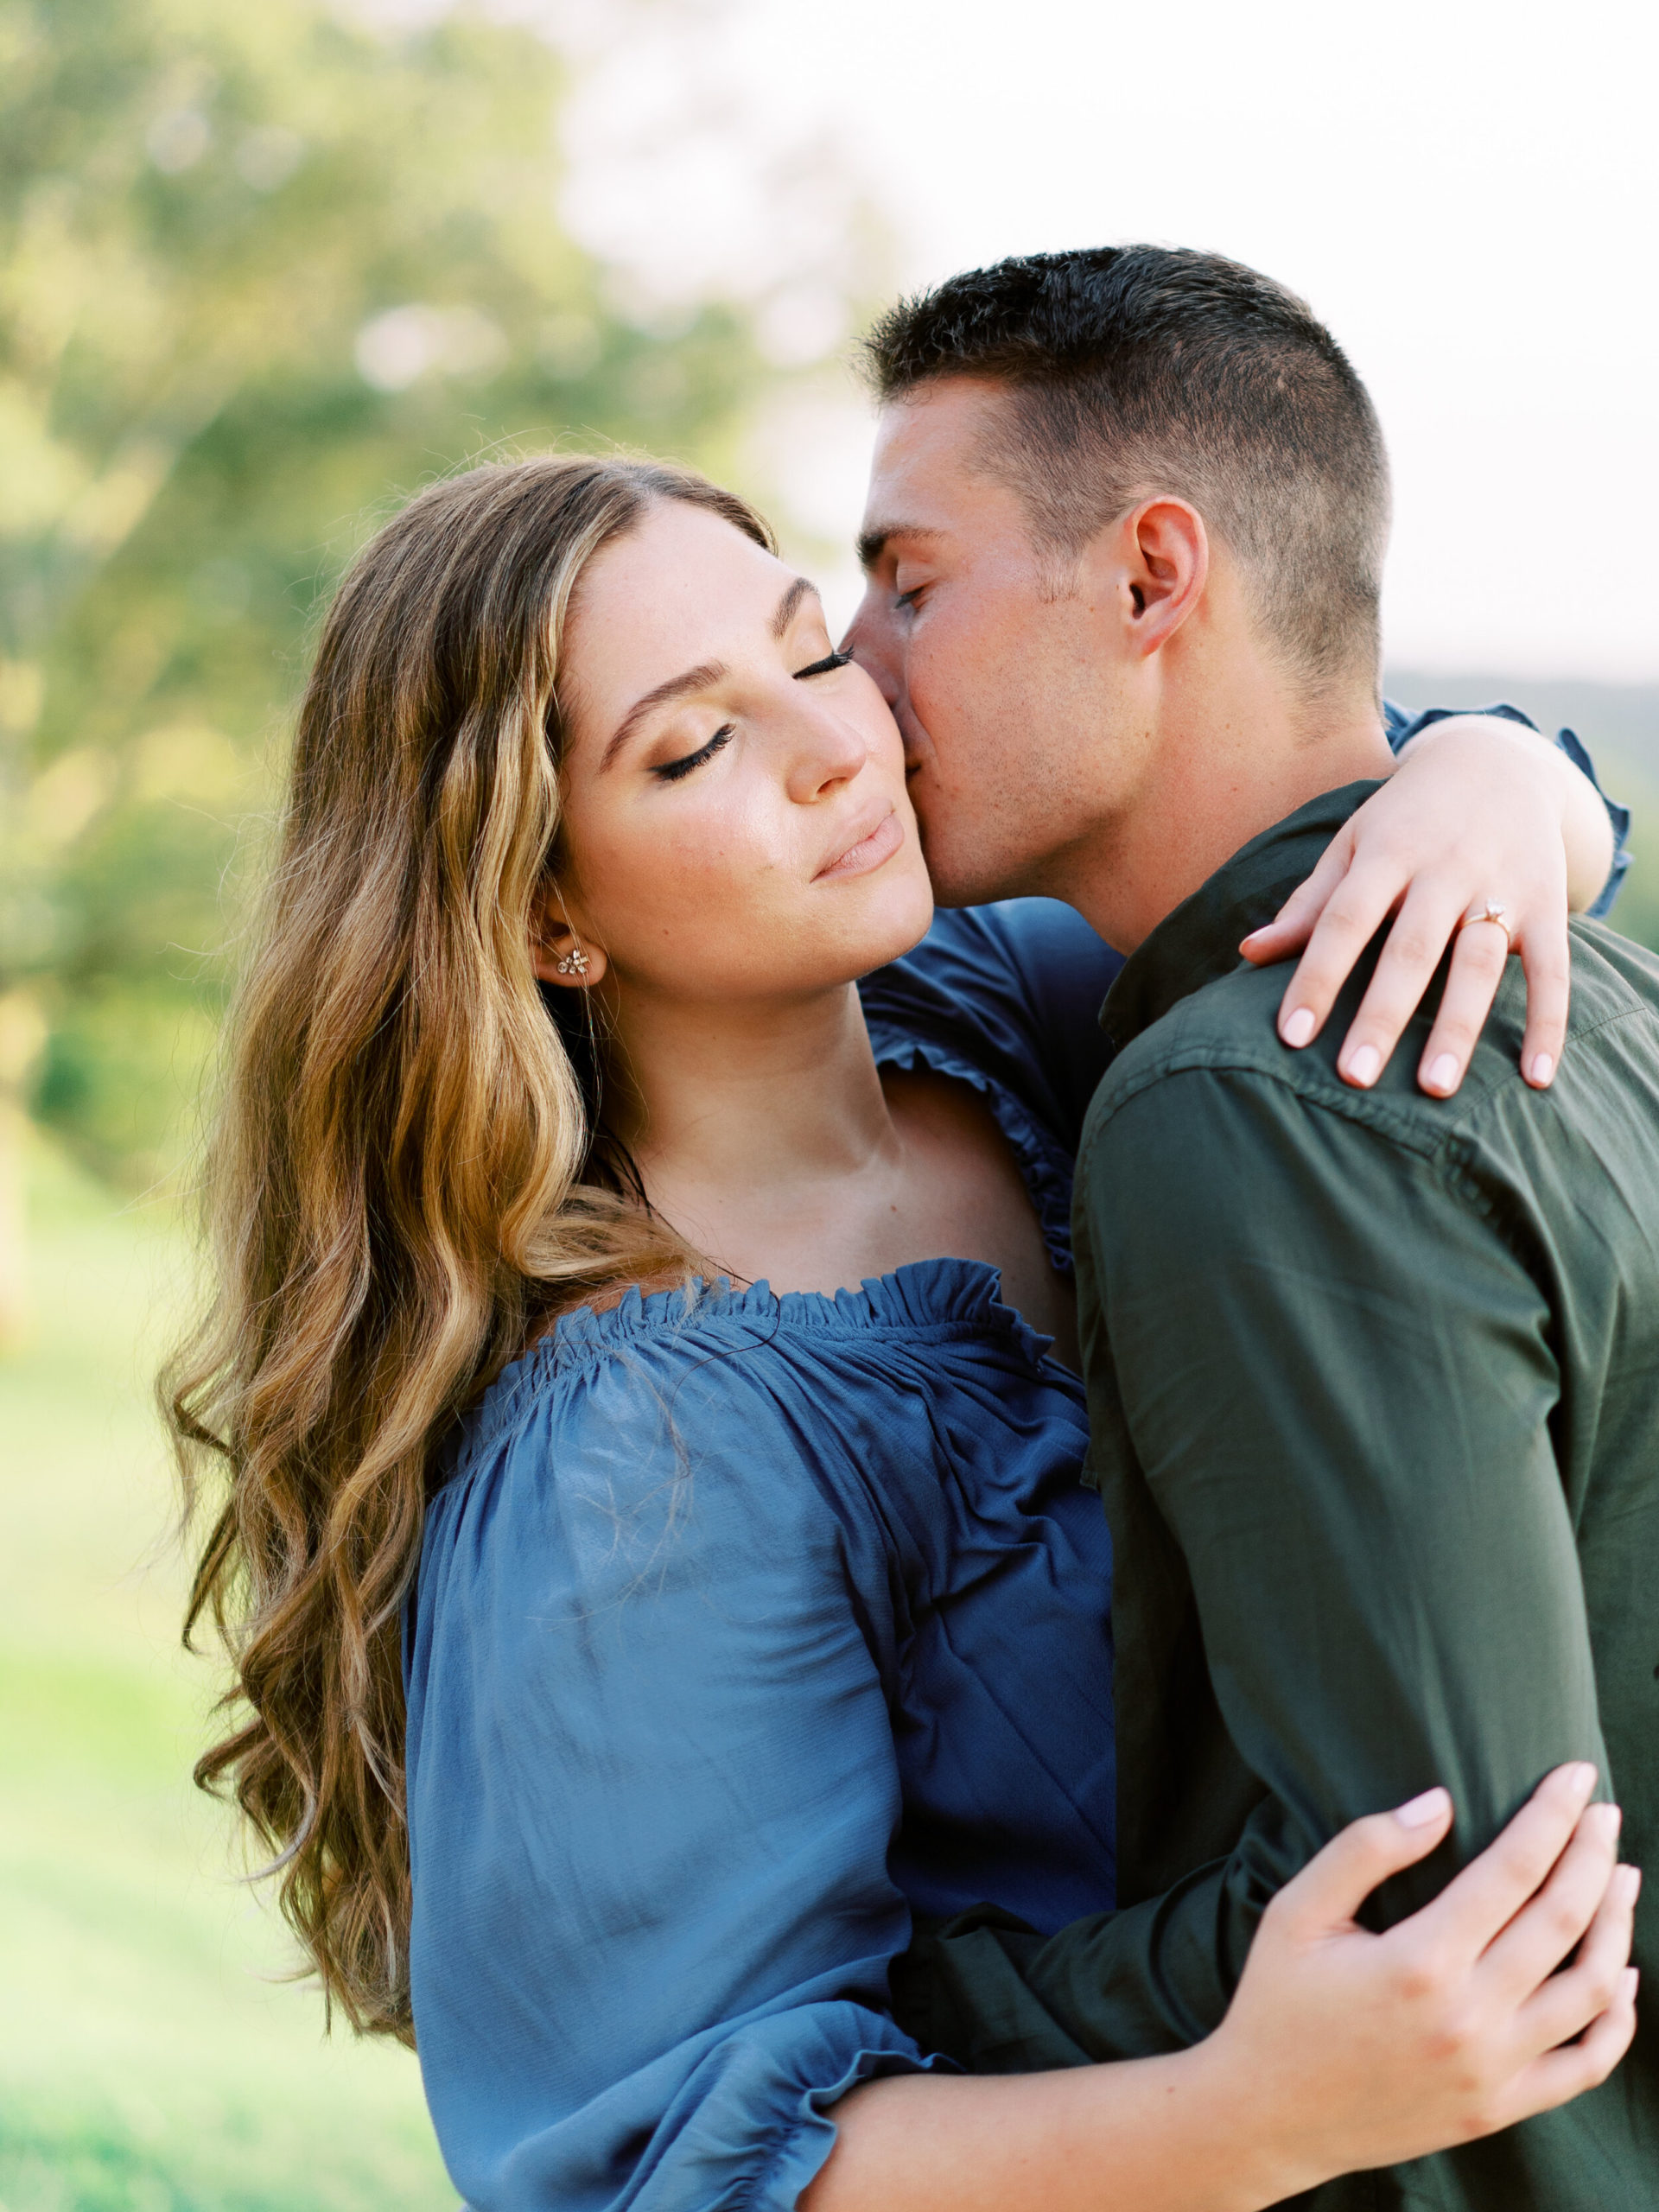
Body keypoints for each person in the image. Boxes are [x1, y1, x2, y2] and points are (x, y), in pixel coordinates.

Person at [169, 449, 1638, 2212]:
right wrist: (1253, 2112)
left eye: (809, 651)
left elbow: (1332, 830)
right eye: (695, 745)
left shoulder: (1008, 999)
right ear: (547, 906)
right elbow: (671, 2154)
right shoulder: (639, 1453)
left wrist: (1494, 780)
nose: (834, 747)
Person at [840, 245, 1658, 2209]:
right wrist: (1522, 769)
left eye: (908, 581)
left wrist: (865, 2005)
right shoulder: (1608, 997)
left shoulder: (1247, 1097)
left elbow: (1436, 1914)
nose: (853, 669)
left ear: (1151, 575)